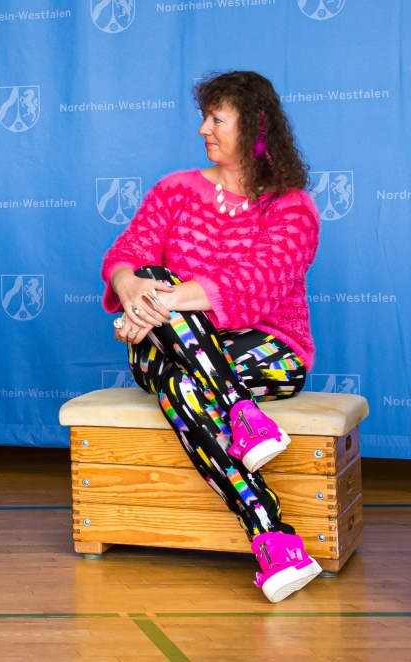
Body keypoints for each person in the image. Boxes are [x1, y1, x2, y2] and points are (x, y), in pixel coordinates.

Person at [99, 71, 322, 603]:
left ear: (254, 128)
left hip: (270, 349)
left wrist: (158, 302)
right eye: (205, 117)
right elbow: (127, 255)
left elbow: (256, 290)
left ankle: (272, 534)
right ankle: (243, 417)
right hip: (166, 344)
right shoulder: (176, 190)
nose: (203, 128)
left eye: (217, 118)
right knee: (153, 278)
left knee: (181, 387)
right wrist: (132, 288)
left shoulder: (291, 208)